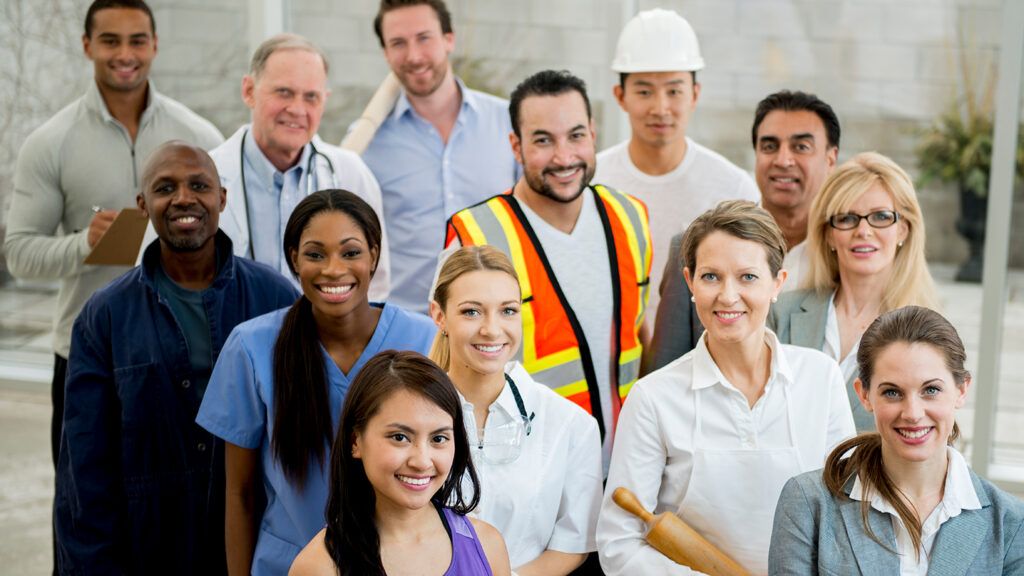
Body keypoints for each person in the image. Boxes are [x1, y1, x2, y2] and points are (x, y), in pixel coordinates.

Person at [54, 142, 297, 574]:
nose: (184, 198)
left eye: (198, 185)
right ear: (143, 205)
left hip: (255, 540)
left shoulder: (275, 298)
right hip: (145, 546)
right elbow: (84, 468)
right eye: (166, 188)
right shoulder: (105, 315)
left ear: (221, 198)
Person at [3, 0, 223, 474]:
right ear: (87, 46)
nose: (126, 53)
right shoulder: (50, 142)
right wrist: (84, 244)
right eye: (110, 40)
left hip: (185, 352)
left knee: (185, 499)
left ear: (155, 45)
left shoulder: (197, 135)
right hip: (87, 356)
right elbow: (18, 253)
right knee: (85, 497)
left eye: (137, 40)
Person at [597, 200, 855, 575]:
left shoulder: (820, 377)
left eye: (747, 277)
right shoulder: (654, 398)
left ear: (777, 284)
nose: (727, 296)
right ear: (689, 282)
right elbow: (618, 543)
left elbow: (845, 515)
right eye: (711, 277)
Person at [196, 189, 436, 576]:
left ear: (374, 255)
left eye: (351, 252)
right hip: (286, 566)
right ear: (294, 259)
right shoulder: (252, 346)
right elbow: (239, 494)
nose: (333, 269)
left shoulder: (425, 339)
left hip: (402, 565)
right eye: (315, 254)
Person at [444, 69, 652, 471]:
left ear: (593, 134)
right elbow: (447, 361)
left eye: (576, 135)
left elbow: (640, 335)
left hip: (624, 466)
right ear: (515, 147)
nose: (563, 157)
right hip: (522, 467)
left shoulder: (631, 217)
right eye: (543, 140)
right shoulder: (475, 233)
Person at [769, 306, 1024, 575]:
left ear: (961, 390)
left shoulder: (1010, 523)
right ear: (864, 395)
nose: (913, 413)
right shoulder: (808, 502)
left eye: (931, 390)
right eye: (892, 392)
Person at [427, 246, 602, 575]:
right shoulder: (410, 416)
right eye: (471, 312)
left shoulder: (571, 425)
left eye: (507, 311)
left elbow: (572, 544)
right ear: (439, 316)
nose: (492, 329)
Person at [647, 90, 840, 373]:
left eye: (801, 147)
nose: (783, 160)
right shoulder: (693, 248)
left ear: (831, 158)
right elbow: (665, 371)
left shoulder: (846, 255)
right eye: (769, 146)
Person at [595, 8, 759, 316]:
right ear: (620, 96)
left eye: (674, 91)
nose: (660, 107)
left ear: (695, 94)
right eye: (644, 91)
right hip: (617, 354)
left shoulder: (733, 188)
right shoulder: (593, 181)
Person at [288, 351, 510, 576]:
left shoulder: (488, 546)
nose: (422, 461)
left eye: (438, 439)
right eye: (400, 437)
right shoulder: (319, 567)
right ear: (355, 441)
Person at [362, 0, 520, 314]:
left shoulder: (508, 121)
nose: (414, 56)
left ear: (449, 38)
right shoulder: (366, 143)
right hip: (406, 331)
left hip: (496, 328)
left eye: (424, 38)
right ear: (385, 53)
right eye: (398, 43)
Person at [210, 33, 389, 297]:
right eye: (284, 92)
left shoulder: (351, 173)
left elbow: (375, 285)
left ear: (324, 100)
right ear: (249, 91)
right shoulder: (207, 176)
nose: (297, 109)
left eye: (311, 97)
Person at [769, 152, 938, 431]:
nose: (863, 230)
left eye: (881, 217)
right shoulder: (781, 312)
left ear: (903, 230)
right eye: (847, 218)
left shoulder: (925, 333)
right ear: (828, 235)